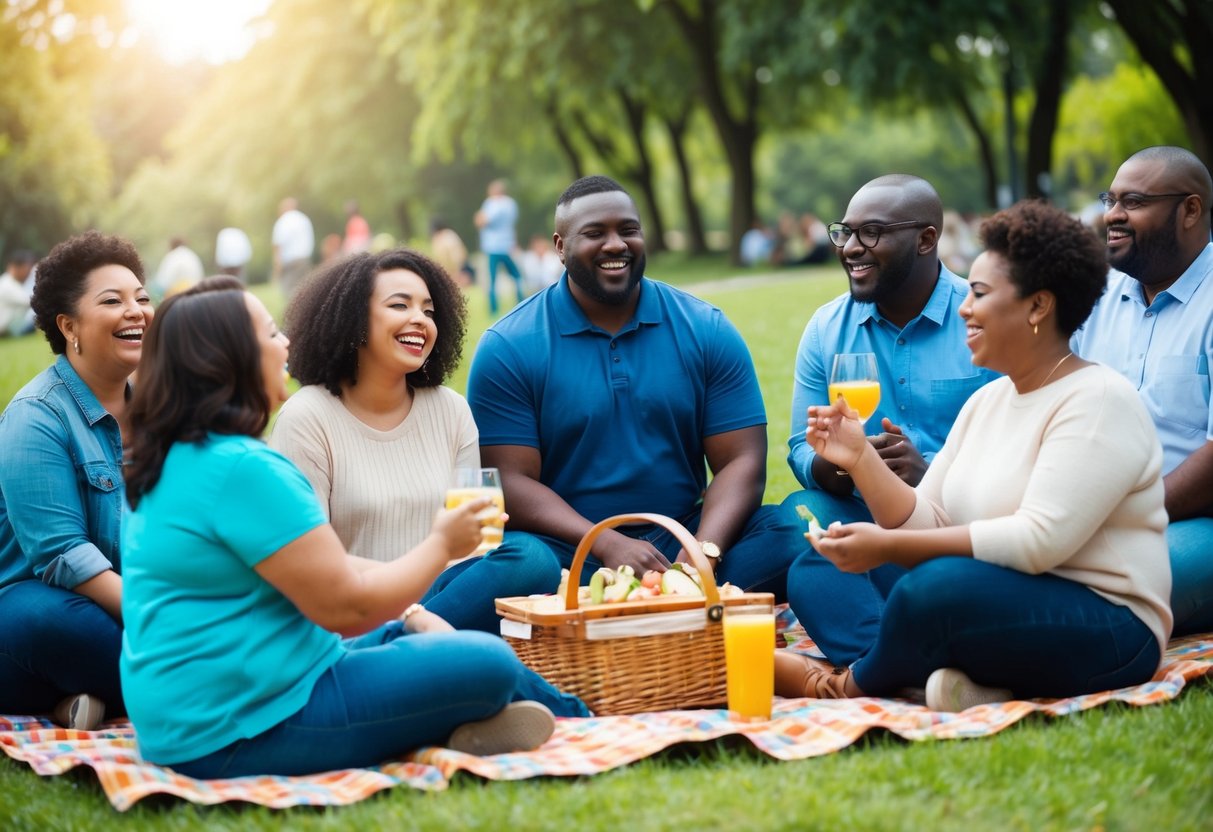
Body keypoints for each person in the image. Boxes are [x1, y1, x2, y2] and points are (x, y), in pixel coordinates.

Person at [120, 282, 587, 780]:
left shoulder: (181, 459)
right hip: (243, 726)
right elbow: (345, 608)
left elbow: (327, 572)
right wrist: (440, 546)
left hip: (192, 718)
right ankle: (578, 724)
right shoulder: (244, 469)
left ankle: (522, 718)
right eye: (272, 333)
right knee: (486, 661)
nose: (286, 346)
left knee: (412, 634)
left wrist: (413, 613)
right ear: (226, 358)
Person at [775, 200, 1172, 712]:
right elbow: (927, 517)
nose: (963, 307)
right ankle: (921, 677)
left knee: (935, 588)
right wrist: (860, 460)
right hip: (998, 599)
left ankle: (844, 684)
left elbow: (1037, 542)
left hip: (1108, 624)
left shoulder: (1098, 399)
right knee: (819, 565)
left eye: (980, 294)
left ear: (1037, 306)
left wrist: (889, 549)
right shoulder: (989, 400)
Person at [466, 175, 801, 600]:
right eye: (594, 234)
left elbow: (742, 459)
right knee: (523, 564)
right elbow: (509, 480)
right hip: (570, 555)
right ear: (560, 247)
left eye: (628, 230)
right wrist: (605, 543)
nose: (616, 245)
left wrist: (700, 556)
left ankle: (672, 605)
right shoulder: (509, 346)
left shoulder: (706, 328)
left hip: (684, 538)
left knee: (793, 534)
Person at [270, 249, 559, 633]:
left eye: (428, 310)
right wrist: (404, 607)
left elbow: (477, 546)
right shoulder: (307, 418)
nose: (419, 320)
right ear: (354, 320)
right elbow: (310, 565)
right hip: (358, 612)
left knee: (533, 558)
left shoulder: (451, 410)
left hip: (446, 598)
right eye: (399, 305)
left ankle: (429, 648)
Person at [780, 175, 999, 666]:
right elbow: (799, 448)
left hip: (962, 523)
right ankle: (917, 663)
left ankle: (890, 662)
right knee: (802, 544)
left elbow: (1021, 448)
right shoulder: (826, 328)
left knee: (833, 568)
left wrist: (934, 473)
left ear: (926, 239)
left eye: (872, 233)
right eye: (846, 232)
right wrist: (844, 462)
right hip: (864, 514)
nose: (852, 249)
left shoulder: (985, 318)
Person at [0, 231, 154, 729]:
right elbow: (63, 556)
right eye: (113, 301)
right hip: (42, 607)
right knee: (51, 623)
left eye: (142, 298)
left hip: (133, 598)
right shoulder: (36, 416)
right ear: (70, 326)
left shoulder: (160, 406)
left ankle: (89, 698)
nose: (136, 311)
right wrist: (161, 616)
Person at [1073, 146, 1213, 637]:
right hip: (1091, 509)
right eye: (1109, 200)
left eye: (1132, 201)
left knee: (1115, 588)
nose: (1112, 215)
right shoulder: (1097, 296)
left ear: (1189, 210)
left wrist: (1125, 518)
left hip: (1196, 521)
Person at [474, 179, 524, 316]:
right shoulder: (511, 204)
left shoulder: (493, 204)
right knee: (516, 276)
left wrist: (479, 217)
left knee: (492, 279)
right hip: (508, 244)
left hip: (493, 247)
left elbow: (481, 221)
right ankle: (522, 301)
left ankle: (493, 309)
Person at [272, 197, 315, 300]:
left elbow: (278, 245)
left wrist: (277, 265)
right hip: (304, 259)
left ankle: (294, 314)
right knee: (305, 289)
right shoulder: (304, 219)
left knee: (289, 291)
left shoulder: (283, 220)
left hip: (290, 262)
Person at [151, 237, 204, 301]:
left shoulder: (173, 256)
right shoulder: (193, 255)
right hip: (196, 293)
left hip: (177, 296)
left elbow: (163, 280)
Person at [0, 249, 37, 337]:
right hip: (6, 329)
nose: (28, 273)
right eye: (26, 268)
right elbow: (31, 301)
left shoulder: (10, 282)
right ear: (16, 267)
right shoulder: (7, 285)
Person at [429, 218, 475, 287]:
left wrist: (457, 271)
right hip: (451, 270)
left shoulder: (447, 236)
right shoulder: (445, 236)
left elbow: (457, 254)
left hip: (458, 269)